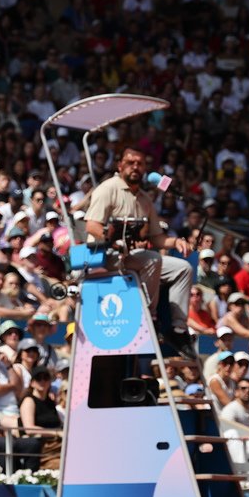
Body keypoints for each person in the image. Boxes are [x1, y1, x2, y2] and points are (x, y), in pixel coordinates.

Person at [84, 147, 194, 355]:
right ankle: (150, 318)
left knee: (183, 268)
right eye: (130, 162)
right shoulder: (108, 189)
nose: (135, 167)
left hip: (130, 257)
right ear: (120, 166)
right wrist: (113, 241)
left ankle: (178, 330)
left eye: (140, 163)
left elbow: (156, 238)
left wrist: (176, 242)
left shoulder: (144, 198)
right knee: (152, 260)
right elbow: (92, 226)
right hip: (104, 257)